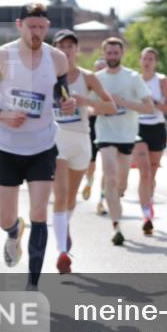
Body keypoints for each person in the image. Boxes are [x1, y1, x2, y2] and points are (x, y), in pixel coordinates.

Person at [0, 3, 76, 289]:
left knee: (39, 213)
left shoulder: (57, 59)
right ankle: (14, 231)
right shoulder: (1, 56)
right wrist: (2, 114)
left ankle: (33, 285)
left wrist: (66, 104)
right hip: (6, 146)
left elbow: (60, 95)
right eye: (31, 27)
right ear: (19, 25)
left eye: (41, 27)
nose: (36, 33)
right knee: (5, 218)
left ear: (47, 27)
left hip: (42, 145)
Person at [51, 30, 115, 273]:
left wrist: (87, 102)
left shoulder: (87, 77)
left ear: (76, 50)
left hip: (80, 140)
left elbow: (110, 106)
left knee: (70, 198)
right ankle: (62, 252)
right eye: (61, 46)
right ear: (55, 50)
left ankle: (64, 225)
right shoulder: (46, 76)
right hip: (55, 139)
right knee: (60, 195)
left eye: (70, 46)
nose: (66, 50)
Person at [93, 37, 154, 245]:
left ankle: (117, 195)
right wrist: (102, 107)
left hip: (127, 136)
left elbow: (149, 107)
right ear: (103, 54)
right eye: (109, 53)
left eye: (115, 53)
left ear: (122, 54)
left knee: (121, 183)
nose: (112, 56)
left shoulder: (132, 77)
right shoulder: (96, 78)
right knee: (110, 176)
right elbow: (89, 107)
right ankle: (116, 227)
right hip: (105, 134)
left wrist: (123, 102)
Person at [133, 47, 167, 234]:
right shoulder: (134, 80)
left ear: (155, 62)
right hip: (138, 128)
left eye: (151, 59)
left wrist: (153, 102)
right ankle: (146, 215)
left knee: (152, 172)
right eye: (144, 58)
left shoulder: (162, 80)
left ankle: (149, 201)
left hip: (157, 128)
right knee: (144, 172)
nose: (147, 62)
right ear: (140, 61)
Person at [82, 57, 108, 212]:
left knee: (107, 167)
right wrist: (94, 110)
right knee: (90, 163)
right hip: (92, 127)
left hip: (109, 128)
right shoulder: (88, 86)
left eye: (103, 69)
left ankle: (101, 201)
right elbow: (84, 106)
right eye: (98, 69)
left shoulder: (111, 86)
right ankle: (89, 181)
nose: (100, 72)